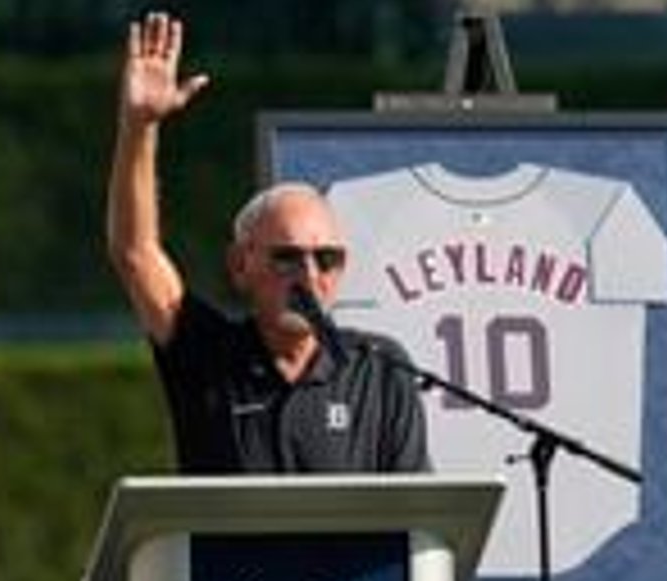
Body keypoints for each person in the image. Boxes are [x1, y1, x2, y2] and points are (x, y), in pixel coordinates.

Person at [106, 12, 430, 473]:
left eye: (327, 259)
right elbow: (135, 254)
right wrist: (138, 127)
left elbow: (419, 519)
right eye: (287, 257)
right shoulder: (209, 355)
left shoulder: (379, 370)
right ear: (240, 266)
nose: (310, 274)